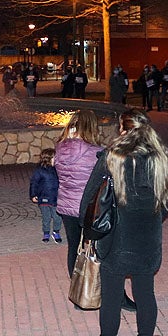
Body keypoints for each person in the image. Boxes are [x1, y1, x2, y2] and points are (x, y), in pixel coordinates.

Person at [80, 109, 168, 336]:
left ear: (124, 128)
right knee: (146, 294)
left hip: (117, 238)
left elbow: (90, 196)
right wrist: (152, 216)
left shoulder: (114, 156)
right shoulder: (162, 157)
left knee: (110, 298)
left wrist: (86, 229)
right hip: (147, 237)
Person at [53, 110, 106, 275]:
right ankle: (93, 289)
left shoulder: (60, 148)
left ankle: (76, 288)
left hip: (66, 206)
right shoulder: (96, 152)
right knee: (95, 249)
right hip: (89, 208)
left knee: (73, 247)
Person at [29, 147, 62, 243]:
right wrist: (33, 195)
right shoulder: (40, 171)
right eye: (54, 157)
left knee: (57, 217)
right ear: (49, 158)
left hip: (56, 198)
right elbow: (34, 183)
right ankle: (46, 232)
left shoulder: (58, 169)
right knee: (46, 217)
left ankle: (56, 231)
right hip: (43, 197)